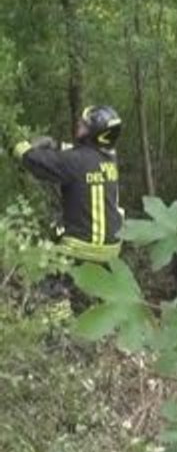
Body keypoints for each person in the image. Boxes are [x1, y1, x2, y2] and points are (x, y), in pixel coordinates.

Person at [13, 105, 124, 307]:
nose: (78, 125)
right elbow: (81, 154)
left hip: (80, 249)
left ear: (94, 133)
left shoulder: (73, 162)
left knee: (52, 237)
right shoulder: (111, 159)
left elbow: (33, 161)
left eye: (84, 125)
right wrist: (57, 145)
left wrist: (23, 145)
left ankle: (49, 303)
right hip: (111, 251)